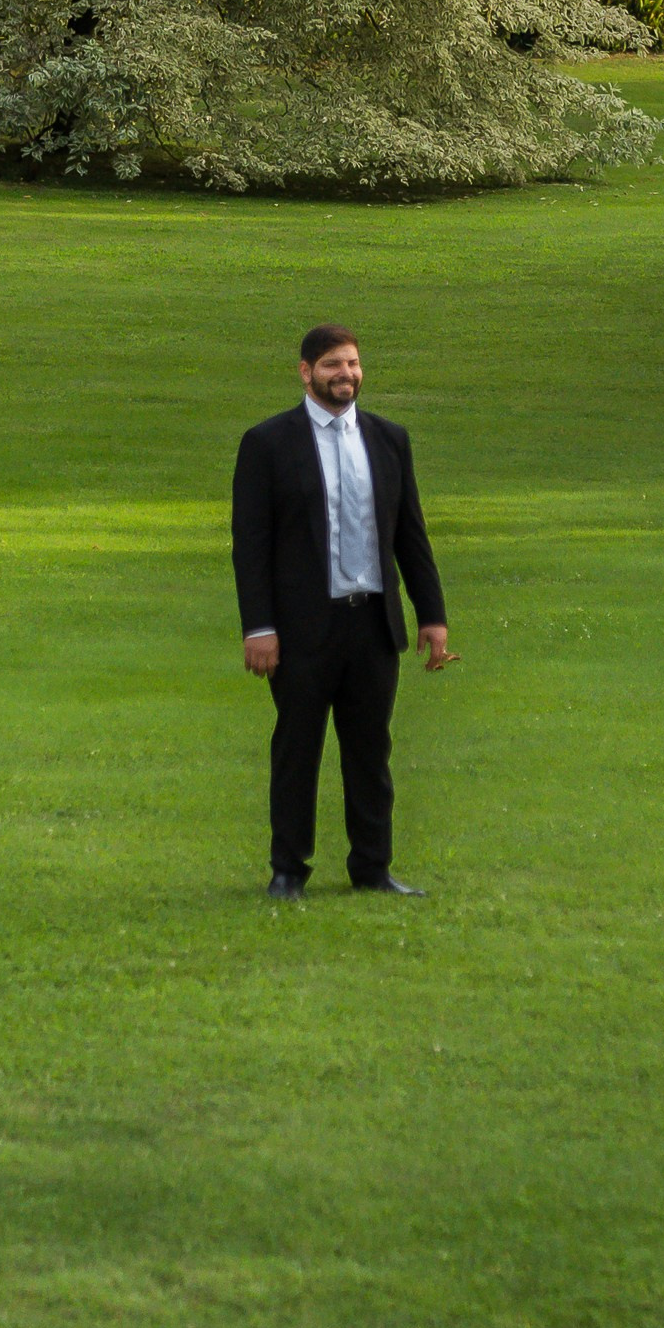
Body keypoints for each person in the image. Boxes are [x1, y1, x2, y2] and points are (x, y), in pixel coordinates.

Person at [232, 323, 451, 899]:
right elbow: (249, 546)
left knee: (370, 751)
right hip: (303, 630)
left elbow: (411, 536)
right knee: (298, 750)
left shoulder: (388, 440)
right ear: (306, 372)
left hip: (372, 625)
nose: (345, 375)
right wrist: (260, 628)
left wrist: (432, 616)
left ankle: (373, 870)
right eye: (332, 365)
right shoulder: (267, 444)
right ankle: (288, 871)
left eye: (352, 364)